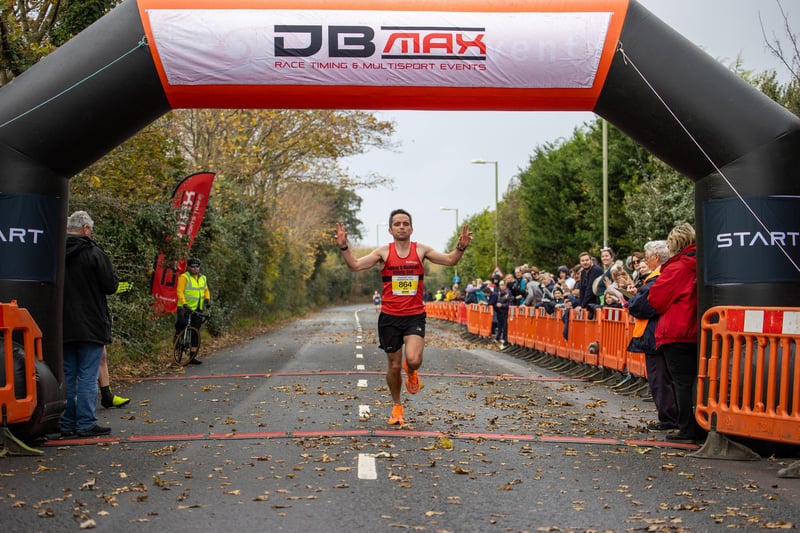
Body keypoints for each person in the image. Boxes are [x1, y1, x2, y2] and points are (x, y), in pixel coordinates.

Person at [334, 209, 472, 426]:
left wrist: (461, 247)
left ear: (411, 228)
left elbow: (450, 260)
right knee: (394, 366)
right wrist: (344, 246)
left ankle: (413, 370)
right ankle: (397, 406)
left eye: (405, 223)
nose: (401, 227)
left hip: (414, 316)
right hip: (389, 317)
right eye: (397, 224)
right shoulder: (383, 253)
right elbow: (355, 265)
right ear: (390, 229)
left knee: (414, 359)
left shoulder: (421, 250)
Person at [60, 211, 118, 438]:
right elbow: (110, 285)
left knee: (67, 374)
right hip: (91, 324)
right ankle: (85, 423)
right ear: (85, 228)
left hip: (62, 325)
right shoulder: (94, 253)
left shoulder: (54, 252)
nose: (91, 233)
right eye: (91, 229)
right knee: (87, 374)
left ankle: (66, 424)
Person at [647, 223, 704, 443]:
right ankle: (700, 425)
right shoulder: (701, 264)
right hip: (697, 329)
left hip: (677, 329)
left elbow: (656, 298)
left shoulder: (677, 268)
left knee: (681, 381)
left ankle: (687, 429)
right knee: (697, 379)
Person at [627, 240, 678, 432]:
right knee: (663, 378)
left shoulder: (657, 279)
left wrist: (635, 299)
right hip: (658, 333)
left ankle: (669, 419)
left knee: (659, 378)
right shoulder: (657, 278)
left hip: (655, 334)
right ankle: (670, 417)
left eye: (647, 258)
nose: (644, 262)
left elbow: (642, 306)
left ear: (656, 258)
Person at [175, 257, 211, 364]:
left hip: (198, 308)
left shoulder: (203, 278)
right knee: (182, 323)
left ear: (199, 267)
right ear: (189, 267)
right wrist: (184, 304)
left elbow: (206, 290)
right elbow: (179, 291)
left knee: (195, 331)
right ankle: (178, 336)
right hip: (184, 307)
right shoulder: (184, 277)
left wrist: (207, 299)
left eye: (197, 266)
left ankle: (192, 356)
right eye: (193, 266)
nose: (195, 268)